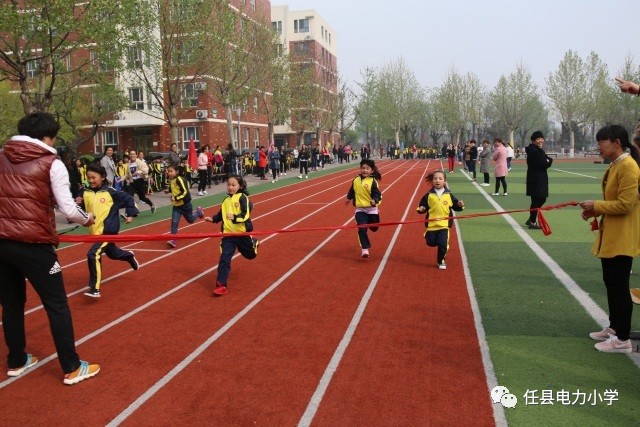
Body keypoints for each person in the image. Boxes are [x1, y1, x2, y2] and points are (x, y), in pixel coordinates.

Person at [0, 112, 99, 384]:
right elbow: (68, 208)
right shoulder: (51, 163)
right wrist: (86, 218)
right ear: (47, 137)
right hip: (33, 243)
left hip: (1, 243)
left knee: (11, 304)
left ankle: (17, 360)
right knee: (56, 305)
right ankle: (71, 366)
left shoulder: (1, 156)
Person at [579, 125, 640, 354]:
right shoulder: (617, 165)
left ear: (616, 142)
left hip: (622, 235)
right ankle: (615, 327)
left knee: (619, 286)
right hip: (612, 234)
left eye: (601, 141)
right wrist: (595, 210)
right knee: (611, 283)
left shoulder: (628, 166)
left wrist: (597, 205)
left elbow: (626, 204)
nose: (598, 146)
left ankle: (622, 338)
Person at [78, 164, 140, 298]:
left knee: (93, 254)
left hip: (108, 231)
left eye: (94, 177)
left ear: (103, 177)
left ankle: (95, 288)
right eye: (89, 178)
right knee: (113, 254)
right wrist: (78, 204)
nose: (91, 180)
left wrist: (130, 213)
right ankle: (128, 256)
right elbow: (81, 206)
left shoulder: (111, 192)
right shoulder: (85, 192)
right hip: (95, 231)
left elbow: (129, 199)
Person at [204, 175, 259, 296]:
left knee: (250, 255)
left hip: (241, 233)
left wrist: (235, 217)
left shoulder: (242, 197)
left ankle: (254, 243)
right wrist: (213, 219)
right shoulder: (225, 200)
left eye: (233, 185)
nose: (230, 187)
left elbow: (245, 215)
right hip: (228, 235)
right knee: (225, 258)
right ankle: (221, 284)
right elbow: (221, 214)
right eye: (229, 185)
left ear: (240, 186)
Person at [416, 169, 464, 270]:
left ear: (445, 181)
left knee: (443, 244)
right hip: (432, 225)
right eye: (435, 179)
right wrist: (421, 209)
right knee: (430, 242)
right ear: (432, 181)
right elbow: (422, 206)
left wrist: (459, 205)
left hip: (444, 225)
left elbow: (456, 206)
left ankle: (441, 260)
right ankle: (429, 236)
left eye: (440, 179)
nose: (437, 181)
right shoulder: (429, 195)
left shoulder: (449, 195)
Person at [345, 159, 382, 258]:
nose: (365, 170)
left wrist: (375, 200)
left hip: (371, 209)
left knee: (374, 228)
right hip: (360, 209)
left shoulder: (372, 181)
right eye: (363, 168)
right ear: (360, 169)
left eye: (367, 168)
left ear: (372, 170)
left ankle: (374, 219)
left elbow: (377, 194)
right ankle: (365, 249)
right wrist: (349, 198)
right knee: (362, 227)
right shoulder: (356, 180)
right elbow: (352, 190)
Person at [165, 164, 204, 248]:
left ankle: (198, 211)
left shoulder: (180, 179)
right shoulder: (171, 180)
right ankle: (173, 239)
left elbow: (185, 192)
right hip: (176, 207)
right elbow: (173, 188)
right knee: (174, 222)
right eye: (168, 171)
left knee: (191, 220)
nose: (169, 173)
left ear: (177, 172)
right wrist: (168, 191)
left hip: (185, 205)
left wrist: (175, 198)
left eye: (171, 171)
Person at [525, 131, 553, 229]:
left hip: (540, 177)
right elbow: (544, 164)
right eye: (538, 139)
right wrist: (548, 161)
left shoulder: (539, 150)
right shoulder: (533, 151)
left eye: (542, 138)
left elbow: (547, 160)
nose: (541, 140)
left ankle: (531, 219)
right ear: (533, 140)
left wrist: (548, 161)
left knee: (542, 198)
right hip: (536, 178)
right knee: (537, 199)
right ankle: (532, 222)